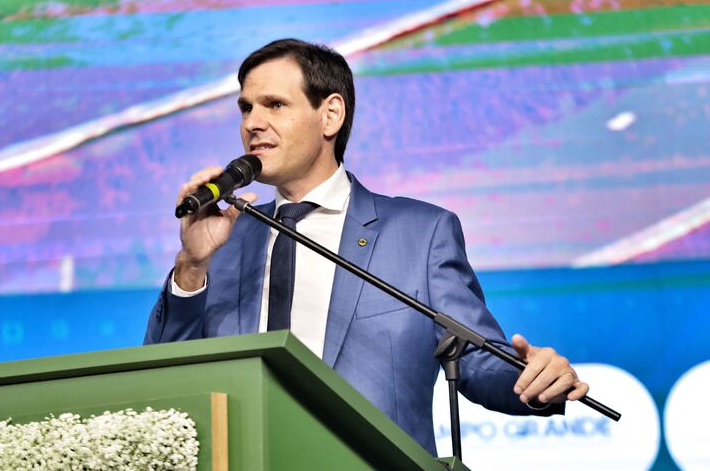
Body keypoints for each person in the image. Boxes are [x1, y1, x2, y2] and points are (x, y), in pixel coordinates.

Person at [144, 38, 589, 454]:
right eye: (246, 108)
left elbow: (475, 361)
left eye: (274, 104)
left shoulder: (421, 234)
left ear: (330, 115)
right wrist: (191, 266)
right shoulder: (223, 239)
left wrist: (535, 380)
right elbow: (162, 382)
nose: (251, 123)